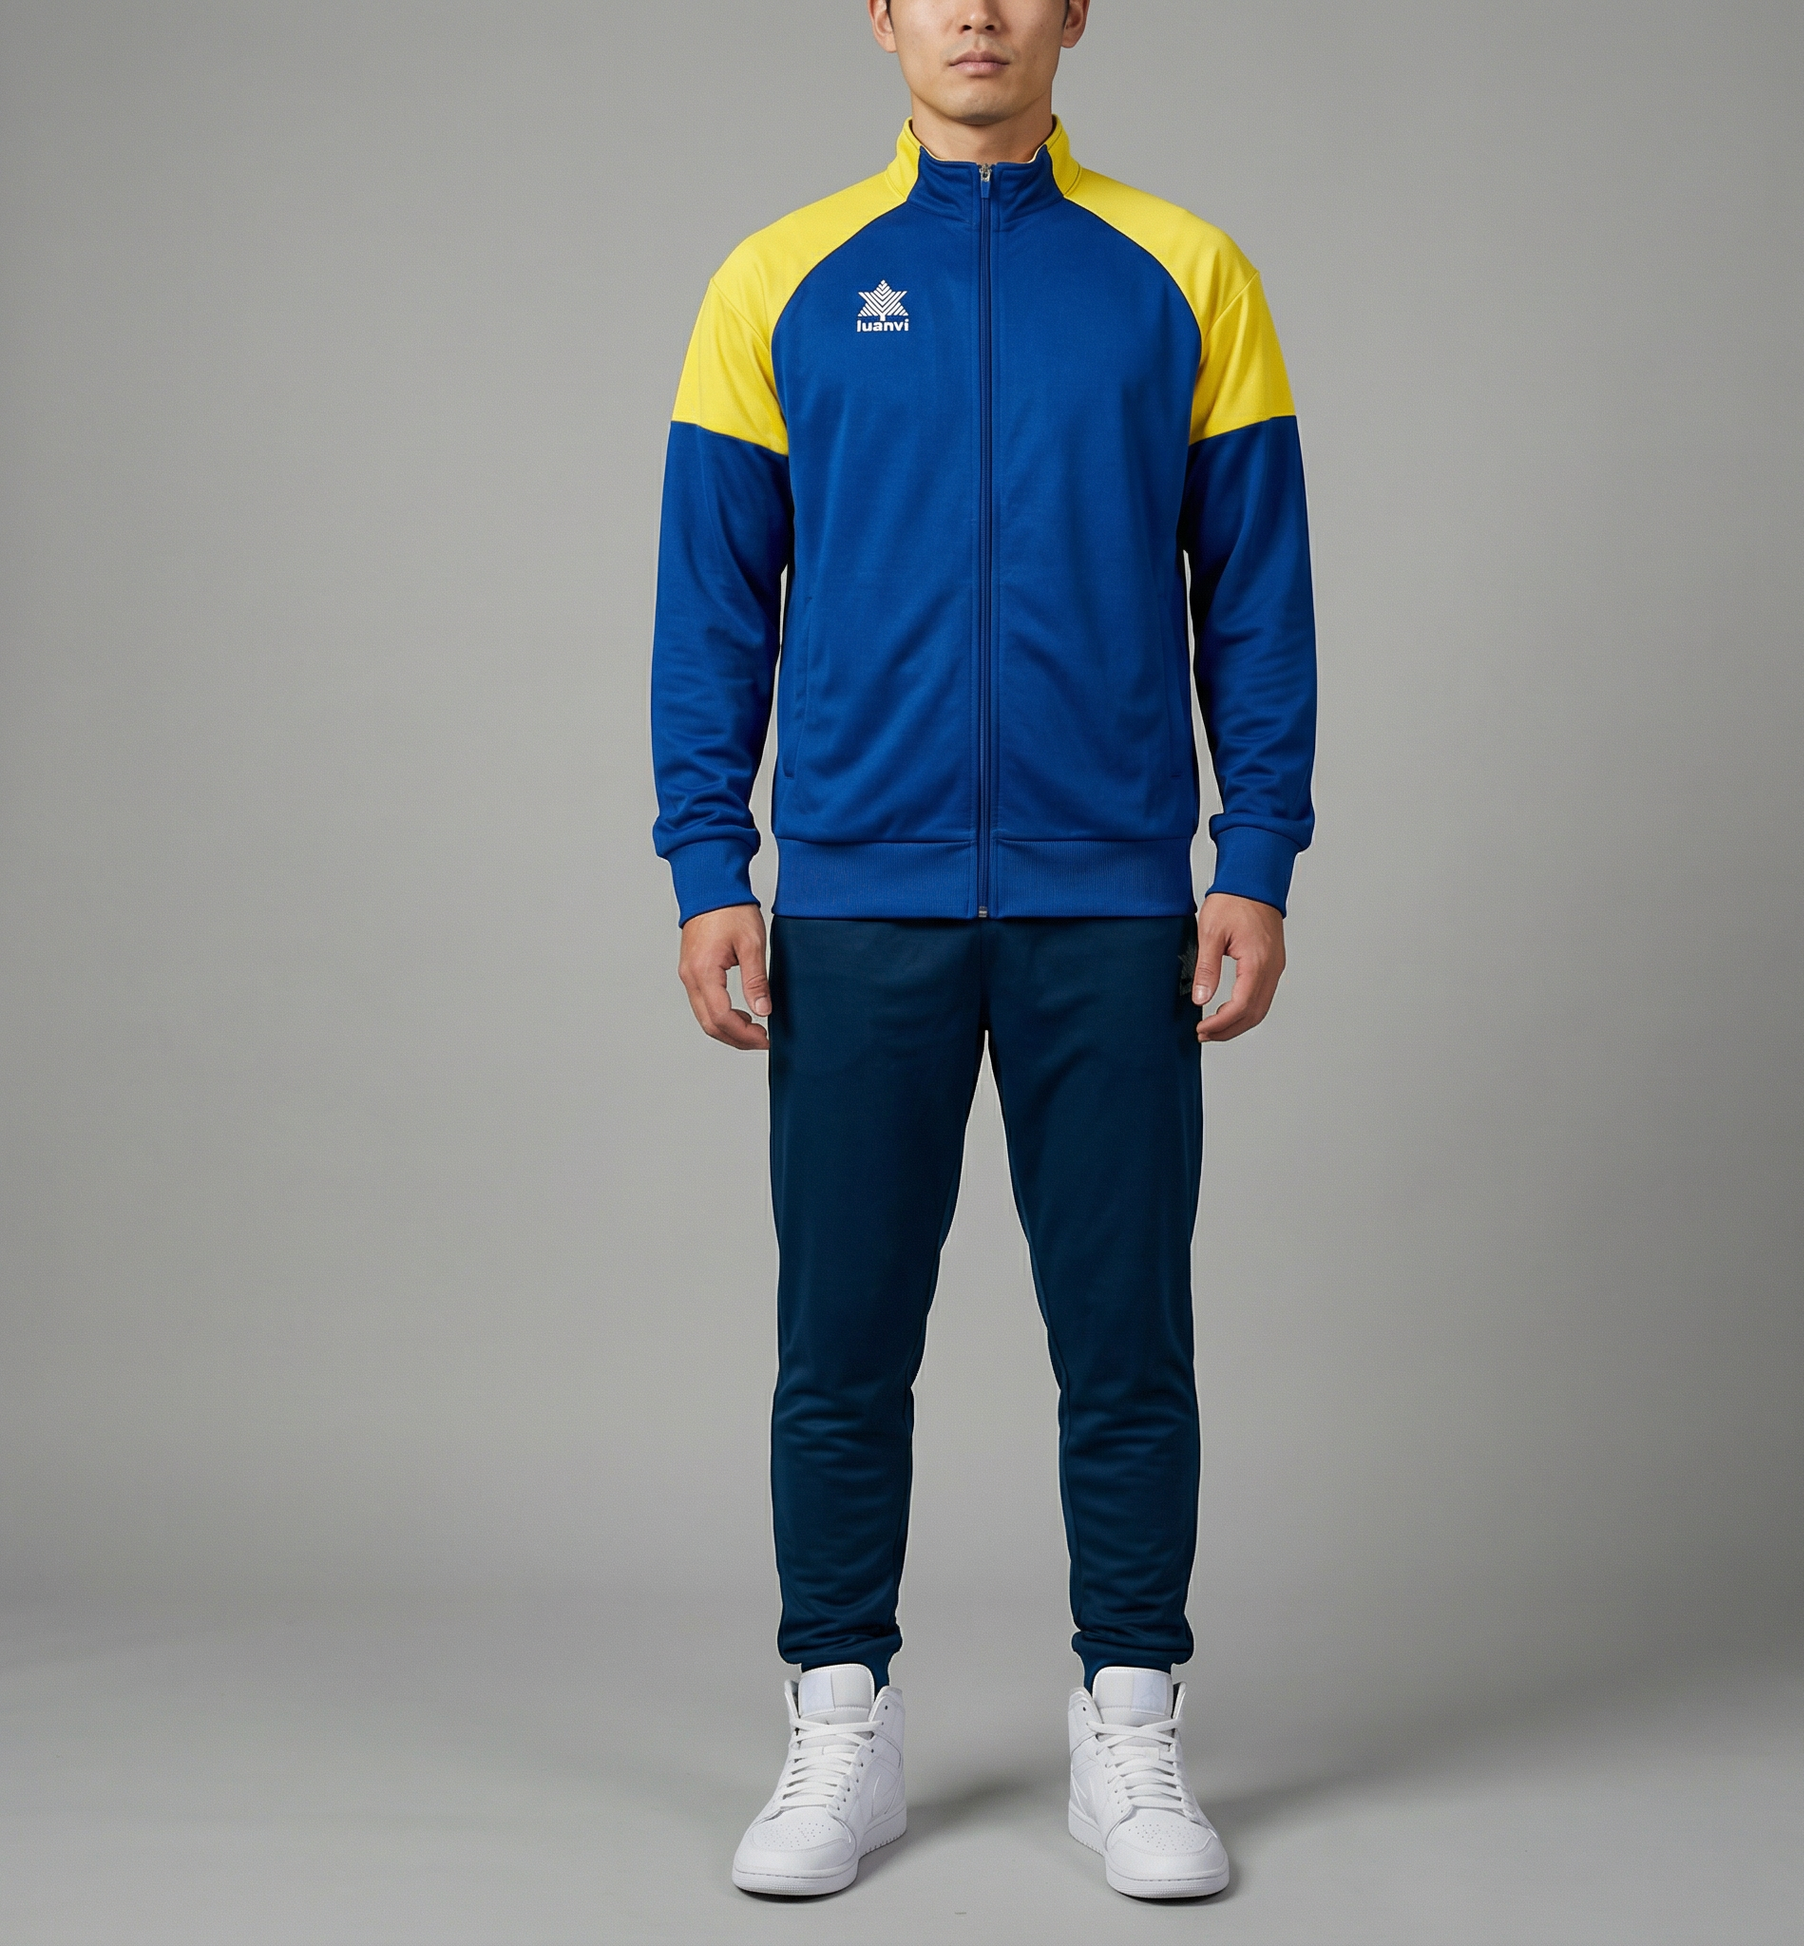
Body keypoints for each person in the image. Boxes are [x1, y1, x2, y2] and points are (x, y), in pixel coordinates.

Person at [650, 0, 1315, 1903]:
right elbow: (714, 600)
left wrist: (1254, 849)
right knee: (840, 1340)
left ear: (1073, 11)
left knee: (1126, 1337)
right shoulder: (776, 280)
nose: (975, 12)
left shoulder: (1185, 272)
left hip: (1111, 898)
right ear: (877, 14)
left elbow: (1255, 592)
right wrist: (710, 858)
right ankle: (838, 1716)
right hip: (857, 897)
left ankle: (1131, 1719)